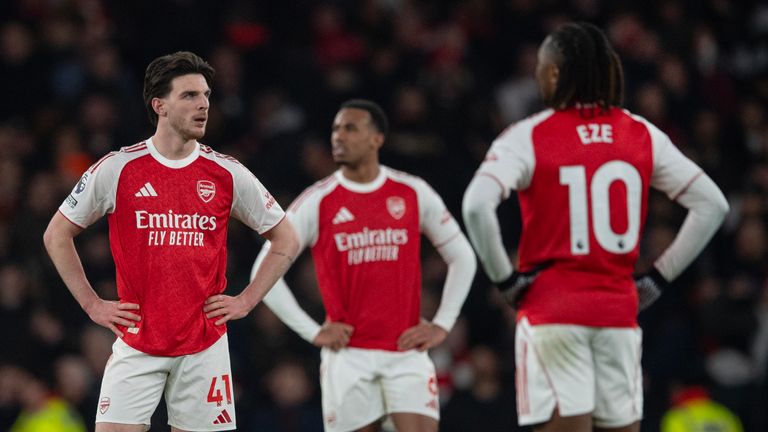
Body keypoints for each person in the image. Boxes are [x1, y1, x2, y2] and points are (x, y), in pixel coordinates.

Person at [462, 22, 729, 432]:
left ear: (554, 74)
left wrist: (506, 281)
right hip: (618, 312)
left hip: (552, 312)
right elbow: (712, 205)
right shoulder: (640, 133)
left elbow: (477, 206)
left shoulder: (529, 136)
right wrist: (658, 278)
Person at [43, 51, 299, 432]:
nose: (204, 105)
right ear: (159, 105)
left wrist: (247, 299)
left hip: (204, 344)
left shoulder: (227, 172)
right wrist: (92, 304)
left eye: (207, 95)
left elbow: (286, 239)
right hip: (137, 340)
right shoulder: (118, 168)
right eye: (190, 95)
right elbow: (56, 234)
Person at [250, 99, 477, 432]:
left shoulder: (412, 191)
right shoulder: (318, 199)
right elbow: (262, 271)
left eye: (351, 128)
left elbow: (463, 256)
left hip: (405, 350)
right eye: (336, 129)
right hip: (348, 357)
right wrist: (312, 332)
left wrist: (442, 324)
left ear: (377, 139)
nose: (339, 136)